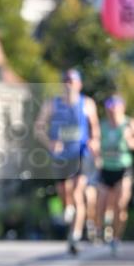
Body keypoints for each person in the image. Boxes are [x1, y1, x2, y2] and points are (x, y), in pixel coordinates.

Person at [34, 68, 100, 254]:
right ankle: (68, 208)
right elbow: (38, 127)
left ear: (79, 84)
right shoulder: (52, 104)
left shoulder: (87, 104)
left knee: (79, 192)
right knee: (64, 193)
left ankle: (75, 236)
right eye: (66, 80)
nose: (68, 84)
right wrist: (50, 143)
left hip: (81, 153)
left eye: (72, 81)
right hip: (61, 156)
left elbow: (95, 129)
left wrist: (94, 142)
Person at [97, 95, 134, 253]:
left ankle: (116, 238)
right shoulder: (103, 125)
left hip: (123, 168)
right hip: (106, 169)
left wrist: (131, 142)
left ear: (122, 108)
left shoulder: (130, 124)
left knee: (120, 205)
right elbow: (94, 143)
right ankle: (105, 228)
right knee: (102, 204)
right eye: (109, 110)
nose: (112, 113)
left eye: (115, 109)